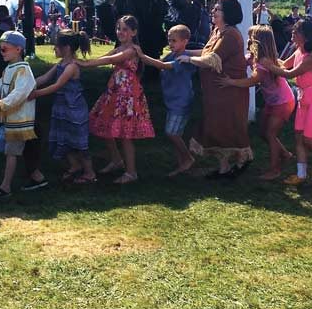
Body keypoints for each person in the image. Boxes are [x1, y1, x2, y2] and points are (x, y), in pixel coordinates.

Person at [180, 0, 252, 179]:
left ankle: (242, 160)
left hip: (230, 92)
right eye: (214, 8)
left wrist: (188, 59)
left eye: (217, 9)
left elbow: (211, 60)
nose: (213, 11)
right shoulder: (217, 31)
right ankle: (224, 168)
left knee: (228, 128)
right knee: (217, 127)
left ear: (227, 13)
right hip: (216, 92)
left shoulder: (231, 34)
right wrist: (184, 51)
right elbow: (205, 52)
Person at [264, 17, 312, 185]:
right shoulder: (298, 50)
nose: (292, 32)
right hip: (303, 97)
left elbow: (290, 74)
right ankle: (301, 174)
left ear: (305, 36)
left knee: (308, 138)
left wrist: (268, 65)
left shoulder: (310, 58)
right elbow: (285, 64)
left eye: (296, 31)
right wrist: (268, 60)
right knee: (298, 137)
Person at [79, 15, 154, 183]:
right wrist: (84, 62)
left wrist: (84, 65)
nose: (120, 32)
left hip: (127, 95)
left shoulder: (132, 50)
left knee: (125, 134)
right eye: (118, 28)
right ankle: (116, 160)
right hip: (114, 91)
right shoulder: (119, 47)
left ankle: (131, 172)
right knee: (105, 124)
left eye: (125, 29)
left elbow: (111, 60)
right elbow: (104, 57)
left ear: (134, 32)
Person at [218, 24, 296, 181]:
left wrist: (231, 82)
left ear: (258, 41)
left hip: (283, 102)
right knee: (263, 133)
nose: (248, 40)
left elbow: (253, 81)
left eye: (250, 37)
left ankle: (275, 169)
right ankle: (285, 155)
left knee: (270, 134)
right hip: (273, 102)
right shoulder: (254, 57)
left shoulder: (264, 61)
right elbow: (241, 60)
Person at [0, 30, 37, 197]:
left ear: (18, 49)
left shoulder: (23, 70)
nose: (1, 52)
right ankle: (37, 177)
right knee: (17, 151)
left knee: (11, 153)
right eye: (0, 49)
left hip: (20, 120)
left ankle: (5, 187)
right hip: (12, 119)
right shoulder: (9, 69)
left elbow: (18, 95)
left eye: (4, 49)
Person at [30, 29, 94, 184]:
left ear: (67, 48)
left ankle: (89, 173)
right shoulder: (61, 64)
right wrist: (27, 84)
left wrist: (35, 94)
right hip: (63, 108)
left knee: (79, 144)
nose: (54, 48)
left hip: (74, 110)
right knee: (64, 138)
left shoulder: (71, 67)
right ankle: (75, 166)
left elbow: (57, 86)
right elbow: (45, 78)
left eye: (56, 46)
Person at [134, 24, 198, 177]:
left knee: (172, 133)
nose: (171, 43)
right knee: (175, 133)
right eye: (169, 40)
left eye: (174, 41)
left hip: (181, 102)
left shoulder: (184, 60)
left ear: (185, 41)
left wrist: (142, 56)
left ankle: (188, 158)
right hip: (172, 101)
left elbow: (161, 65)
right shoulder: (172, 55)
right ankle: (182, 163)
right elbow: (160, 62)